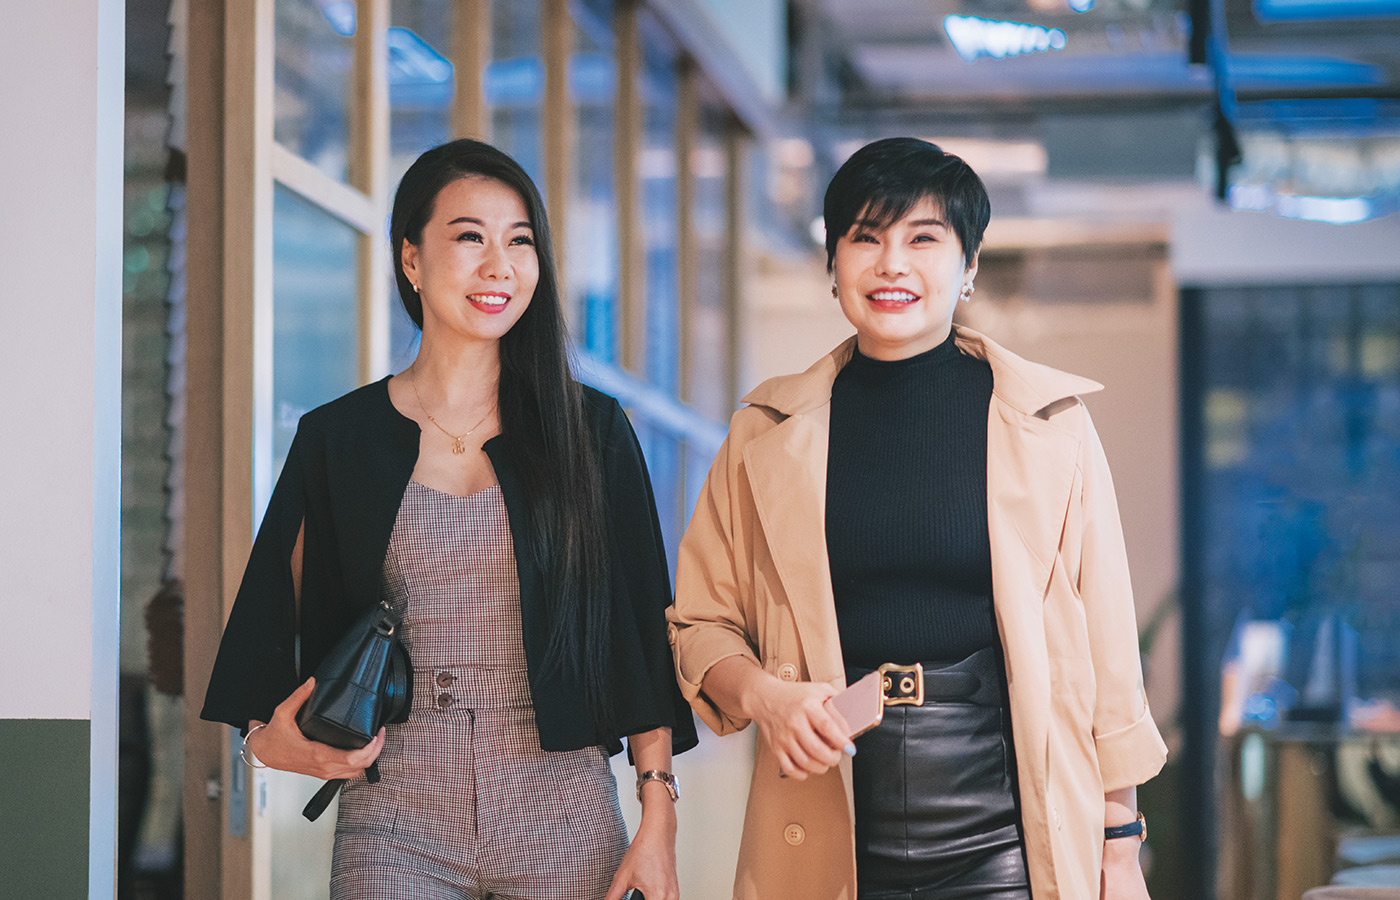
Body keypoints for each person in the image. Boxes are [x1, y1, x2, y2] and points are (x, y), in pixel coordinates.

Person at [667, 137, 1167, 900]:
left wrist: (1119, 843)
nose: (892, 263)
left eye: (922, 239)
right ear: (833, 265)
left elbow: (1105, 655)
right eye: (865, 238)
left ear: (968, 266)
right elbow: (699, 624)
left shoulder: (1047, 424)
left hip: (1007, 824)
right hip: (825, 808)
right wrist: (769, 699)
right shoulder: (764, 434)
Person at [202, 138, 696, 900]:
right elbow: (268, 625)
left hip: (561, 802)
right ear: (411, 259)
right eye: (470, 238)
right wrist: (269, 744)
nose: (500, 265)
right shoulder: (340, 438)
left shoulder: (590, 430)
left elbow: (639, 631)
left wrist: (656, 817)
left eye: (520, 241)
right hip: (396, 807)